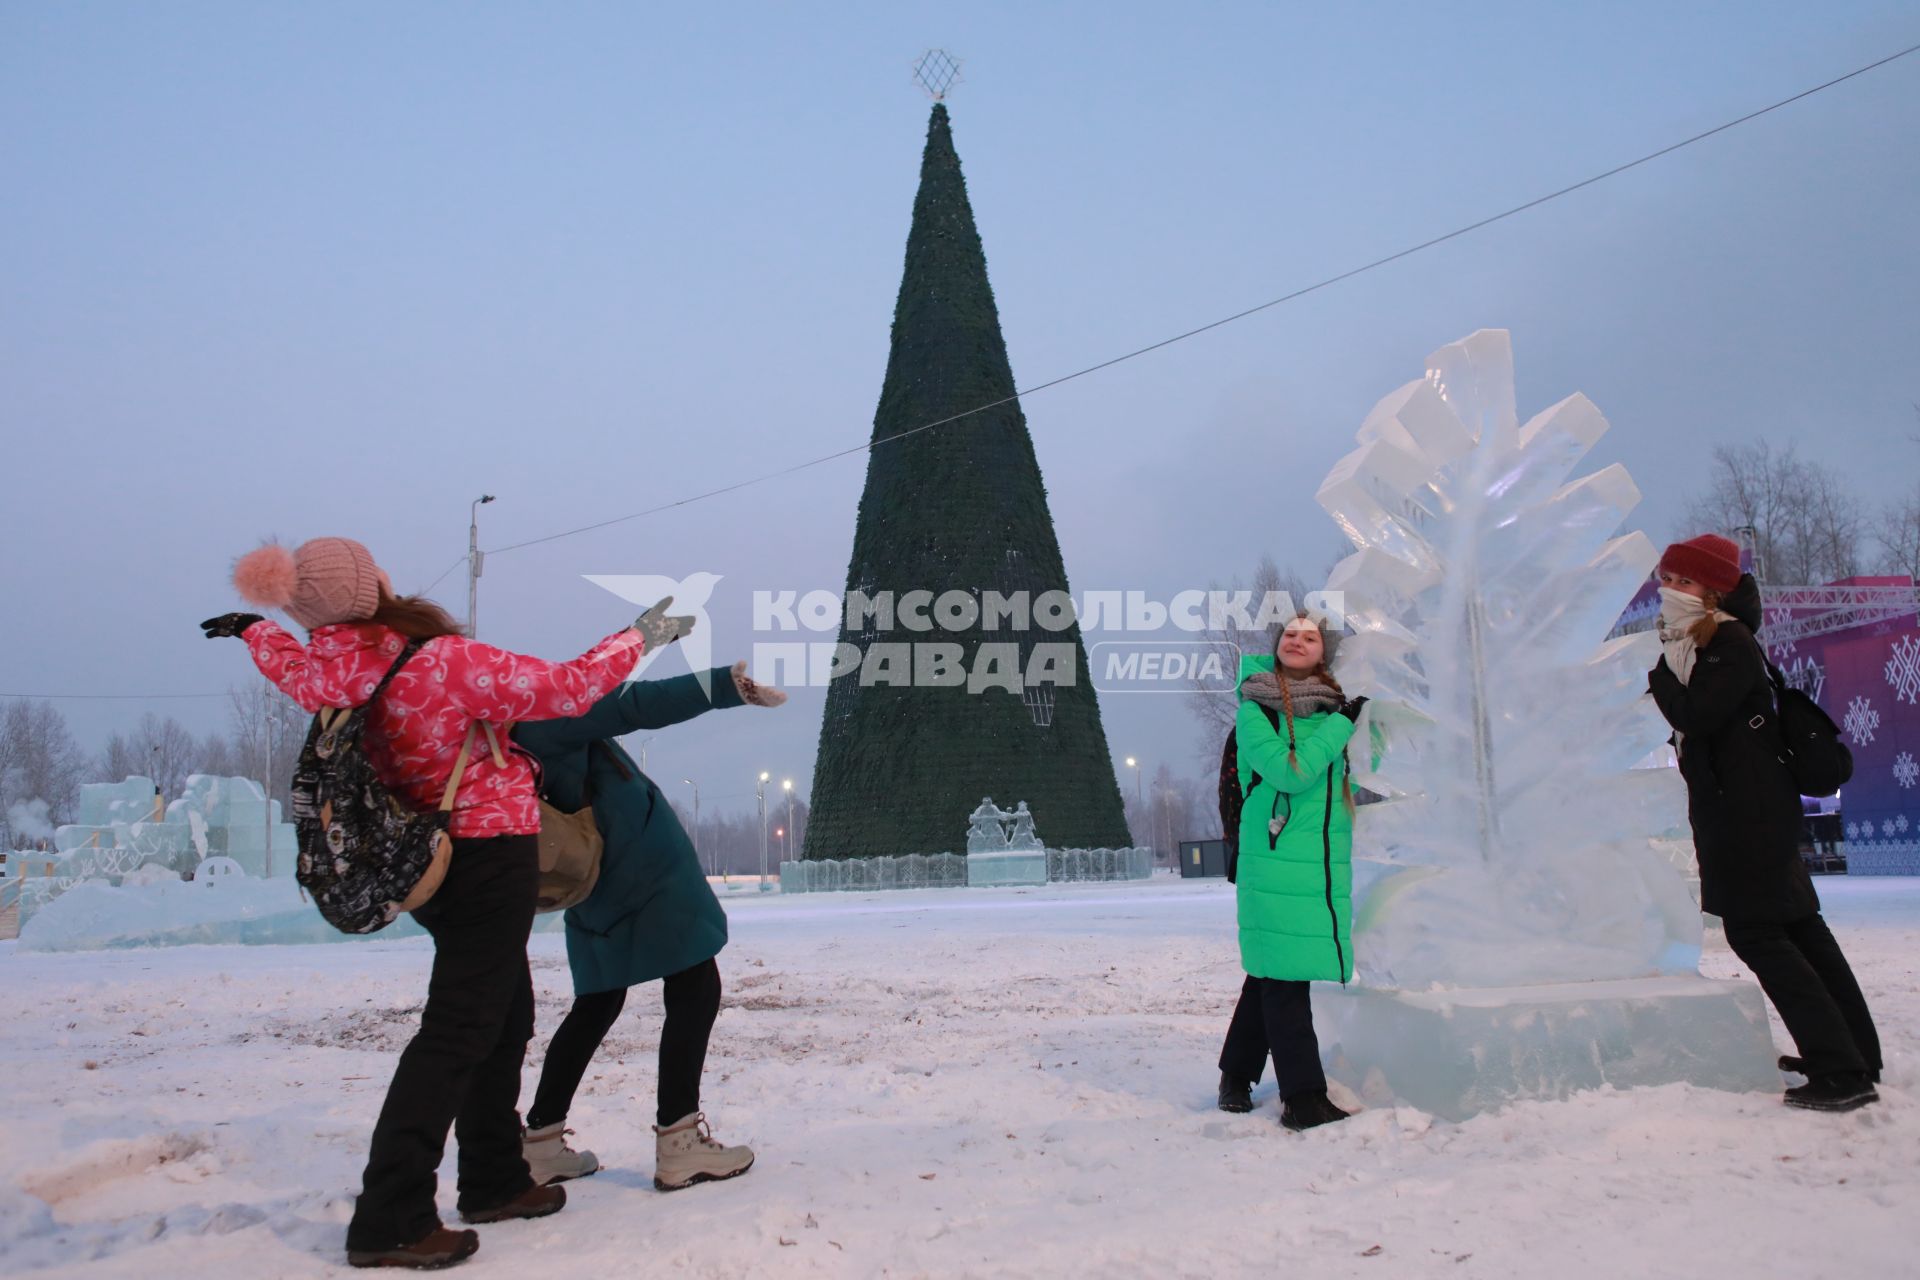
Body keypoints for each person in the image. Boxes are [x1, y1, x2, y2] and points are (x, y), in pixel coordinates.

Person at [201, 536, 690, 1269]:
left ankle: (494, 1176)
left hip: (421, 860)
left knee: (503, 1011)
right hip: (487, 854)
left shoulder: (325, 670)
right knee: (460, 1028)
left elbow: (285, 661)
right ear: (371, 590)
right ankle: (391, 1216)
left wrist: (252, 629)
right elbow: (566, 689)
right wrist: (640, 637)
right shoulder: (438, 664)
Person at [510, 660, 785, 1191]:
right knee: (695, 984)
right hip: (640, 873)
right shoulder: (541, 716)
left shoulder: (496, 731)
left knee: (597, 1002)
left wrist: (644, 633)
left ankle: (540, 1142)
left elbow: (597, 678)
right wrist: (723, 687)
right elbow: (632, 703)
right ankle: (679, 1140)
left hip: (590, 882)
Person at [1647, 534, 1882, 1113]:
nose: (1669, 590)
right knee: (1799, 926)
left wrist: (1659, 681)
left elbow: (1697, 715)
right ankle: (1853, 1052)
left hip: (1744, 814)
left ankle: (1841, 1071)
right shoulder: (1715, 641)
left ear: (1713, 589)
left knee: (1757, 933)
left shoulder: (1725, 641)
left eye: (1684, 581)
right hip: (1753, 807)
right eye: (1667, 578)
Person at [1215, 613, 1367, 1131]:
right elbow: (1290, 771)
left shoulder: (1334, 708)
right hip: (1275, 854)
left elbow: (1368, 763)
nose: (1296, 641)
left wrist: (1374, 716)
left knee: (1271, 971)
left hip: (1320, 859)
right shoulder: (1257, 706)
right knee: (1285, 979)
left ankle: (1235, 1075)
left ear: (1324, 653)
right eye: (1289, 634)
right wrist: (1344, 724)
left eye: (1310, 636)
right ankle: (1303, 1098)